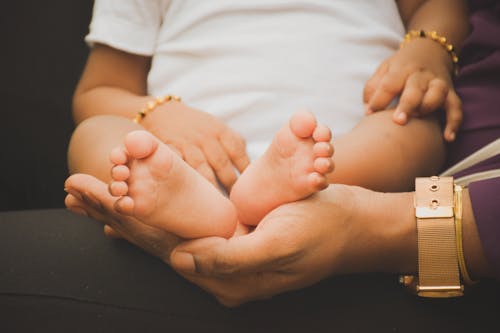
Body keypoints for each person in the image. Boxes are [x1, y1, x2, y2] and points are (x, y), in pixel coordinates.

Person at [63, 0, 500, 307]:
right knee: (95, 132)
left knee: (415, 126)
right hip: (180, 157)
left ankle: (261, 201)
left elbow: (441, 5)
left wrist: (426, 50)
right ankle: (198, 206)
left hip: (337, 154)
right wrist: (159, 112)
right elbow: (98, 90)